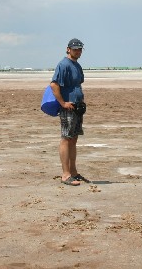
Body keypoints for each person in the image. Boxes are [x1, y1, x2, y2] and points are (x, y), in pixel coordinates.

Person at [50, 38, 90, 186]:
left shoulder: (77, 65)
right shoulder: (63, 64)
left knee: (73, 139)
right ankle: (65, 174)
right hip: (68, 107)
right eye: (75, 49)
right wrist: (63, 103)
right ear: (68, 49)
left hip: (78, 107)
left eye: (80, 49)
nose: (78, 51)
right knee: (66, 138)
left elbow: (78, 84)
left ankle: (73, 172)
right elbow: (54, 84)